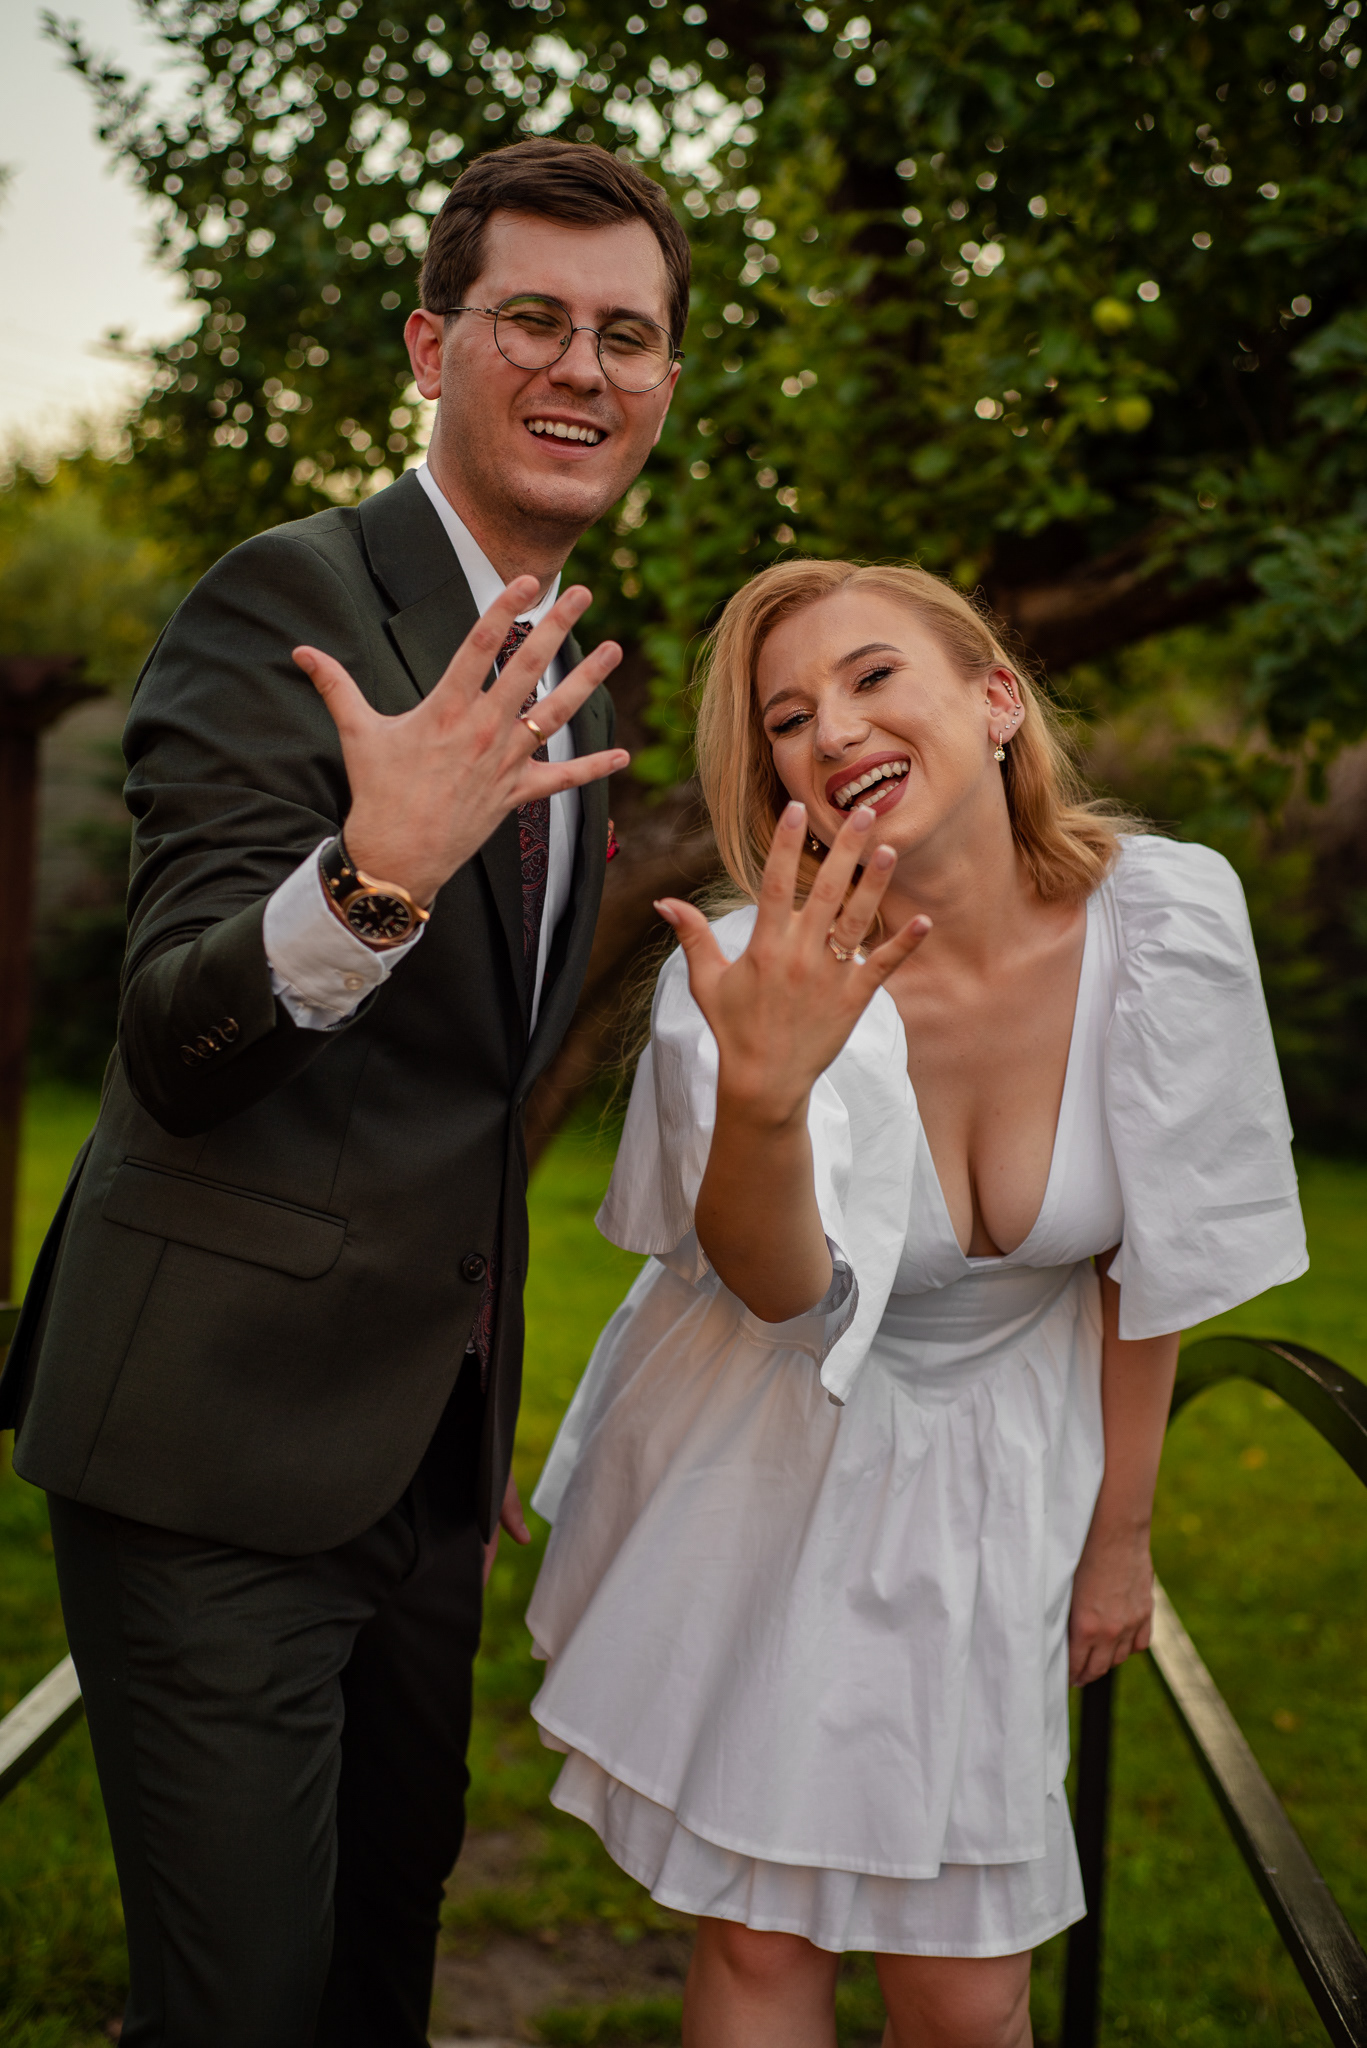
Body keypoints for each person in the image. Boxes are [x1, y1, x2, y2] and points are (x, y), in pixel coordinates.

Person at [0, 139, 687, 2047]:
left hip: (419, 1469)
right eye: (532, 318)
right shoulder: (284, 603)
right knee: (243, 2006)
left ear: (665, 381)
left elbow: (462, 1092)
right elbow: (174, 1039)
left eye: (627, 334)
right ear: (429, 348)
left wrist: (474, 1397)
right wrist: (373, 878)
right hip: (210, 1456)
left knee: (383, 1958)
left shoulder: (568, 672)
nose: (582, 367)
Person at [525, 559, 1308, 2048]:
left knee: (969, 1989)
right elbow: (782, 1295)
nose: (831, 730)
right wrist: (766, 1095)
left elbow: (1159, 1262)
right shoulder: (740, 977)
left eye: (873, 677)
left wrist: (1121, 1534)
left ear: (998, 700)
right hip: (773, 1444)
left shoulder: (1165, 925)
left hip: (1009, 1455)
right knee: (761, 1941)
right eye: (788, 718)